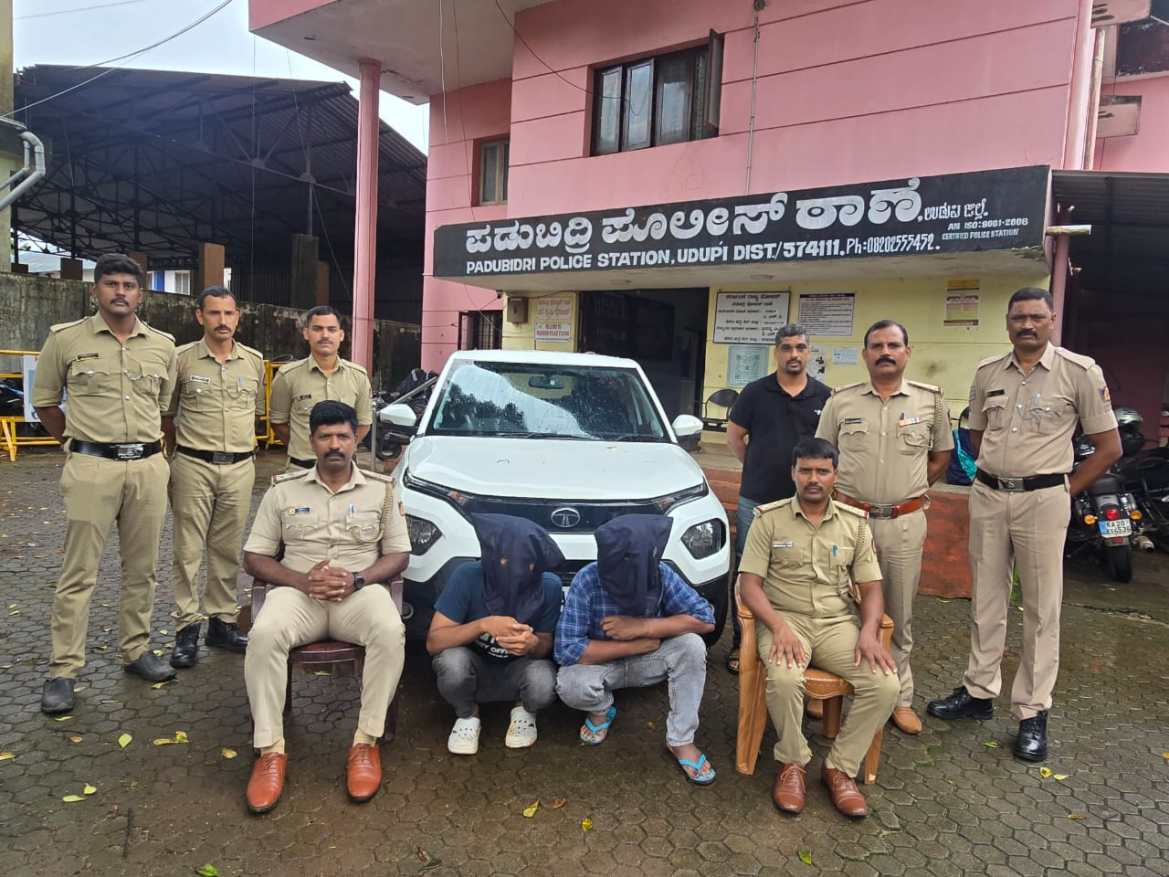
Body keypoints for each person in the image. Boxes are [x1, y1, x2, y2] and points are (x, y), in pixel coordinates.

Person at [927, 288, 1121, 762]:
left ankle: (1033, 711)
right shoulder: (988, 372)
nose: (1027, 325)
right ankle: (979, 691)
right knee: (986, 600)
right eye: (1019, 318)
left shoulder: (1079, 372)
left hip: (1044, 500)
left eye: (1036, 317)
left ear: (1052, 320)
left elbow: (1109, 447)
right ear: (1008, 322)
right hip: (990, 496)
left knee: (1040, 608)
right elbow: (976, 434)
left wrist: (1064, 490)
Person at [241, 401, 410, 813]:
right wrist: (300, 580)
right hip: (300, 595)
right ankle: (270, 751)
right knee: (264, 634)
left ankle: (365, 742)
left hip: (358, 594)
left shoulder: (382, 490)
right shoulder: (283, 490)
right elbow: (254, 557)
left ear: (355, 439)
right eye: (325, 437)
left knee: (390, 630)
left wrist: (358, 579)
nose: (335, 444)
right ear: (311, 441)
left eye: (343, 436)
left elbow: (398, 555)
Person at [32, 254, 179, 714]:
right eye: (111, 283)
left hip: (147, 467)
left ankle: (136, 650)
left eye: (128, 285)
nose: (120, 292)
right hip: (92, 468)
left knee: (143, 568)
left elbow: (164, 407)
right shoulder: (66, 339)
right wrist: (77, 445)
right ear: (95, 290)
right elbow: (45, 402)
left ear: (140, 294)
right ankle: (63, 670)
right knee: (79, 572)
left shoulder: (163, 346)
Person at [738, 437, 898, 819]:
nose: (813, 479)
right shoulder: (768, 520)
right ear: (793, 473)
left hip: (837, 624)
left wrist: (869, 630)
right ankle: (792, 763)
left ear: (835, 475)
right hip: (785, 620)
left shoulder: (854, 525)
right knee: (784, 678)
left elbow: (872, 588)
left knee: (885, 685)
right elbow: (749, 585)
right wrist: (777, 626)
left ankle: (840, 768)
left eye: (822, 471)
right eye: (806, 470)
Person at [815, 320, 953, 735]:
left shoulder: (930, 402)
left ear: (908, 352)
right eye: (876, 346)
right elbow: (823, 458)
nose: (885, 352)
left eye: (893, 345)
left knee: (898, 613)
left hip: (903, 523)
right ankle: (827, 692)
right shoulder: (841, 402)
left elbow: (941, 457)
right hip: (848, 521)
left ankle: (899, 697)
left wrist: (906, 494)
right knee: (836, 606)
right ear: (865, 355)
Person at [555, 515, 717, 785]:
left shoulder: (661, 574)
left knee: (692, 645)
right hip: (601, 666)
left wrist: (643, 627)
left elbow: (706, 619)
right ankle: (602, 709)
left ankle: (681, 740)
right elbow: (566, 649)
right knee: (569, 684)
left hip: (650, 659)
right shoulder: (587, 579)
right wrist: (631, 644)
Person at [163, 286, 264, 668]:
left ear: (238, 317)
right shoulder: (181, 359)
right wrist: (177, 457)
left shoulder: (253, 362)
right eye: (214, 313)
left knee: (227, 549)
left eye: (229, 313)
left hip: (239, 467)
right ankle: (186, 628)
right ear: (199, 316)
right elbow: (167, 415)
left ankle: (222, 623)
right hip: (193, 464)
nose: (222, 321)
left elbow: (255, 413)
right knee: (187, 550)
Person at [725, 324, 831, 674]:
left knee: (802, 567)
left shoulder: (824, 396)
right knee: (749, 569)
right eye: (786, 348)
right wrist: (758, 466)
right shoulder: (755, 392)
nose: (793, 354)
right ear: (777, 352)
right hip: (756, 498)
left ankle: (796, 639)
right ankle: (742, 642)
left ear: (809, 352)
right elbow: (735, 438)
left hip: (805, 503)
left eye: (800, 347)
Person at [427, 514, 564, 755]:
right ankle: (468, 713)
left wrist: (532, 643)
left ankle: (524, 709)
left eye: (527, 562)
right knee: (451, 662)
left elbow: (546, 645)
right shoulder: (467, 576)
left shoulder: (549, 586)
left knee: (544, 680)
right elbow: (434, 642)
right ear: (492, 556)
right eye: (505, 560)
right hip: (475, 667)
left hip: (519, 669)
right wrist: (483, 625)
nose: (516, 569)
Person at [268, 305, 372, 470]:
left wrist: (342, 448)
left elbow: (364, 424)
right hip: (301, 470)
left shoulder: (358, 376)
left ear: (341, 335)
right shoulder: (287, 376)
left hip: (343, 471)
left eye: (331, 329)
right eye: (317, 329)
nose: (325, 335)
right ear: (306, 333)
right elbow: (278, 423)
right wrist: (303, 448)